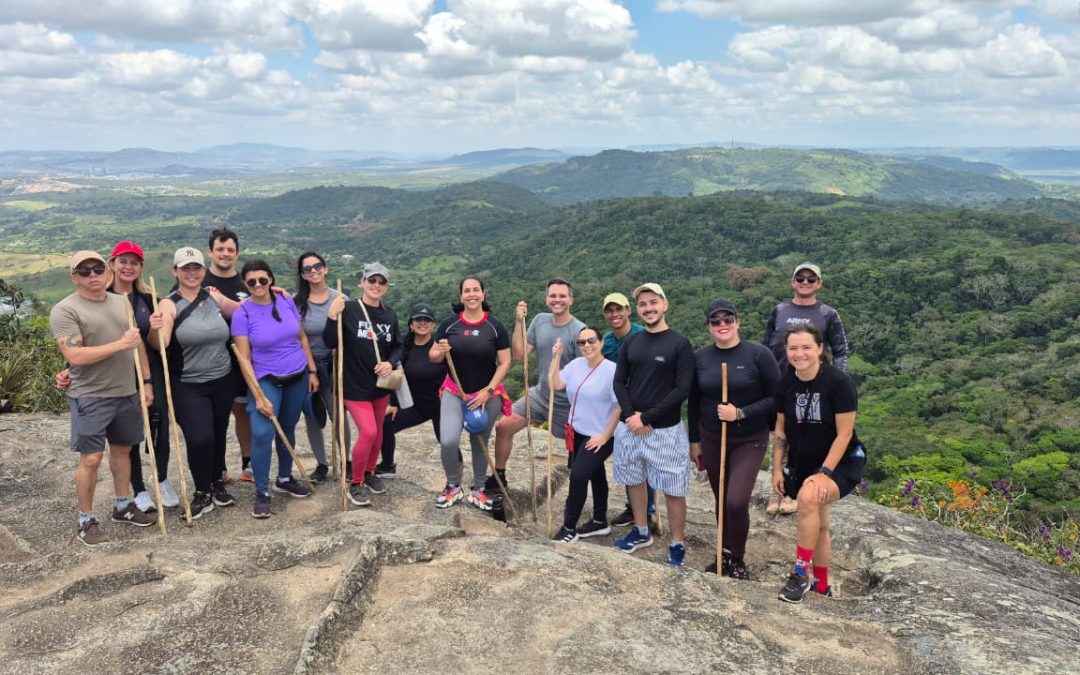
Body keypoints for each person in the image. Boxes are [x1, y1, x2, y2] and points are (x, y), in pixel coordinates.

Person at [50, 250, 156, 545]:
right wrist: (119, 344)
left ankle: (123, 506)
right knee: (92, 458)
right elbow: (74, 354)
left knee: (123, 451)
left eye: (97, 269)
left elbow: (137, 347)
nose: (93, 275)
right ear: (74, 278)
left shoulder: (121, 303)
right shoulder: (65, 310)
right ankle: (86, 519)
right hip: (90, 394)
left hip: (125, 391)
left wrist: (146, 382)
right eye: (84, 271)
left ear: (106, 271)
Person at [773, 324, 866, 603]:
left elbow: (845, 433)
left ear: (820, 349)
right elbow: (780, 431)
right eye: (793, 348)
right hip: (804, 462)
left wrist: (825, 473)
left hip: (842, 462)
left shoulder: (838, 383)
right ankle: (822, 585)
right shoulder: (785, 383)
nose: (799, 354)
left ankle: (800, 575)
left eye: (806, 347)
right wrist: (777, 468)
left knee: (808, 498)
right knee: (821, 524)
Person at [688, 300, 780, 578]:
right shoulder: (700, 357)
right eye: (715, 321)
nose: (722, 324)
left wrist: (740, 412)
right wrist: (694, 441)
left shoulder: (758, 355)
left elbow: (778, 397)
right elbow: (693, 401)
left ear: (738, 322)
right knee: (721, 498)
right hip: (712, 437)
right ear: (708, 327)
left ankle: (736, 558)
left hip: (749, 438)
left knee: (736, 500)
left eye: (728, 319)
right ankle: (724, 553)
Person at [148, 246, 241, 519]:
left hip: (223, 378)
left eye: (196, 268)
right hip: (188, 383)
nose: (191, 273)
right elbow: (161, 343)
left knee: (218, 432)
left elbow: (243, 311)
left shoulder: (213, 296)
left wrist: (275, 295)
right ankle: (202, 491)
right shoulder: (168, 304)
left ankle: (215, 482)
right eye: (185, 268)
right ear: (175, 271)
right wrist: (154, 330)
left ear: (203, 270)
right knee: (200, 437)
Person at [612, 283, 694, 566]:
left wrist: (647, 418)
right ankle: (642, 530)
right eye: (643, 304)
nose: (648, 308)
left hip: (664, 429)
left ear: (665, 304)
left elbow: (682, 389)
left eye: (653, 302)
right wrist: (632, 416)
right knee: (634, 480)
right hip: (631, 425)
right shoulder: (632, 342)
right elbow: (619, 381)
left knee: (673, 487)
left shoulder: (679, 344)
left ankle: (677, 543)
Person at [763, 262, 850, 516]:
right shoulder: (779, 310)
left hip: (816, 387)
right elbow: (766, 346)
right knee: (778, 436)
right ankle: (776, 490)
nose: (805, 282)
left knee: (805, 438)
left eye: (811, 279)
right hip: (781, 384)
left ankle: (795, 491)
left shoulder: (828, 314)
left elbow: (841, 350)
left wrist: (836, 383)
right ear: (792, 282)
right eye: (800, 278)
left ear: (819, 284)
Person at [231, 260, 317, 518]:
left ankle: (283, 477)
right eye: (252, 282)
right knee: (261, 433)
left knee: (287, 428)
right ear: (245, 285)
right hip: (266, 379)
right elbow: (244, 358)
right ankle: (261, 490)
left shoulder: (286, 301)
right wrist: (257, 394)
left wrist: (312, 371)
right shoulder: (242, 313)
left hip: (298, 375)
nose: (258, 285)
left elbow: (301, 337)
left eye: (263, 280)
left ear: (271, 279)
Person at [488, 279, 584, 504]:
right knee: (503, 427)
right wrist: (519, 321)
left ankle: (577, 496)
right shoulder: (540, 321)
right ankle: (499, 475)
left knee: (577, 455)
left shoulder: (579, 330)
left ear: (570, 299)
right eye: (553, 296)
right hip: (540, 396)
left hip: (568, 404)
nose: (557, 300)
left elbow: (583, 374)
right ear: (546, 299)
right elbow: (520, 354)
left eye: (562, 296)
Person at [429, 276, 512, 509]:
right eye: (467, 290)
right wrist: (440, 350)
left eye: (476, 290)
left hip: (487, 395)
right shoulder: (449, 325)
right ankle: (453, 485)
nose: (472, 294)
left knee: (480, 441)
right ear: (461, 296)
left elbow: (504, 362)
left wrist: (488, 391)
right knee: (448, 440)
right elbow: (433, 356)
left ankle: (478, 488)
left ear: (483, 294)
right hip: (455, 391)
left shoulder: (495, 326)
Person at [323, 263, 402, 507]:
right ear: (362, 282)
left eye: (381, 282)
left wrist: (390, 363)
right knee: (368, 432)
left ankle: (369, 473)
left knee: (377, 434)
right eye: (372, 280)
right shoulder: (349, 308)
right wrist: (331, 315)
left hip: (380, 386)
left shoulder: (390, 315)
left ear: (386, 286)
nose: (376, 285)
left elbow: (398, 346)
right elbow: (329, 341)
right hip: (354, 385)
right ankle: (355, 482)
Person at [550, 326, 619, 543]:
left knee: (579, 476)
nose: (587, 345)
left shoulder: (612, 370)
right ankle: (600, 521)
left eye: (591, 341)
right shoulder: (576, 365)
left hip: (600, 435)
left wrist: (605, 436)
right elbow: (555, 383)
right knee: (596, 473)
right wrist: (556, 357)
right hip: (577, 432)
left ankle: (569, 528)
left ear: (601, 343)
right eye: (582, 342)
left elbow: (619, 407)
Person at [293, 251, 352, 483]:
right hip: (308, 366)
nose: (314, 271)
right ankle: (321, 463)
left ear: (325, 268)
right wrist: (311, 371)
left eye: (317, 266)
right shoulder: (296, 301)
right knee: (312, 416)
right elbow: (297, 338)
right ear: (303, 275)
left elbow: (347, 334)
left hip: (334, 364)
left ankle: (346, 459)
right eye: (307, 269)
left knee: (339, 414)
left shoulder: (340, 298)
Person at [600, 291, 654, 529]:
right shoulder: (608, 342)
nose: (615, 314)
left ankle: (648, 513)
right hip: (619, 407)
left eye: (619, 309)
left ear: (628, 311)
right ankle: (633, 508)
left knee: (644, 461)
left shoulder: (643, 335)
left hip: (643, 406)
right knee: (629, 460)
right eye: (610, 310)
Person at [203, 227, 253, 483]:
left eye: (230, 250)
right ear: (210, 251)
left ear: (237, 253)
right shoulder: (198, 281)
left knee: (244, 412)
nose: (225, 254)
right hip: (212, 362)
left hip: (244, 360)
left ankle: (248, 464)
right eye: (220, 249)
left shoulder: (247, 282)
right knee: (217, 416)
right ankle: (219, 467)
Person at [375, 303, 447, 478]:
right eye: (418, 320)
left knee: (447, 441)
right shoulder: (404, 348)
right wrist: (393, 403)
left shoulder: (440, 347)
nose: (422, 323)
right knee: (386, 424)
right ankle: (387, 466)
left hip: (440, 405)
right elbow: (394, 375)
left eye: (427, 320)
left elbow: (454, 372)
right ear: (411, 324)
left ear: (433, 324)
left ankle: (454, 481)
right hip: (415, 405)